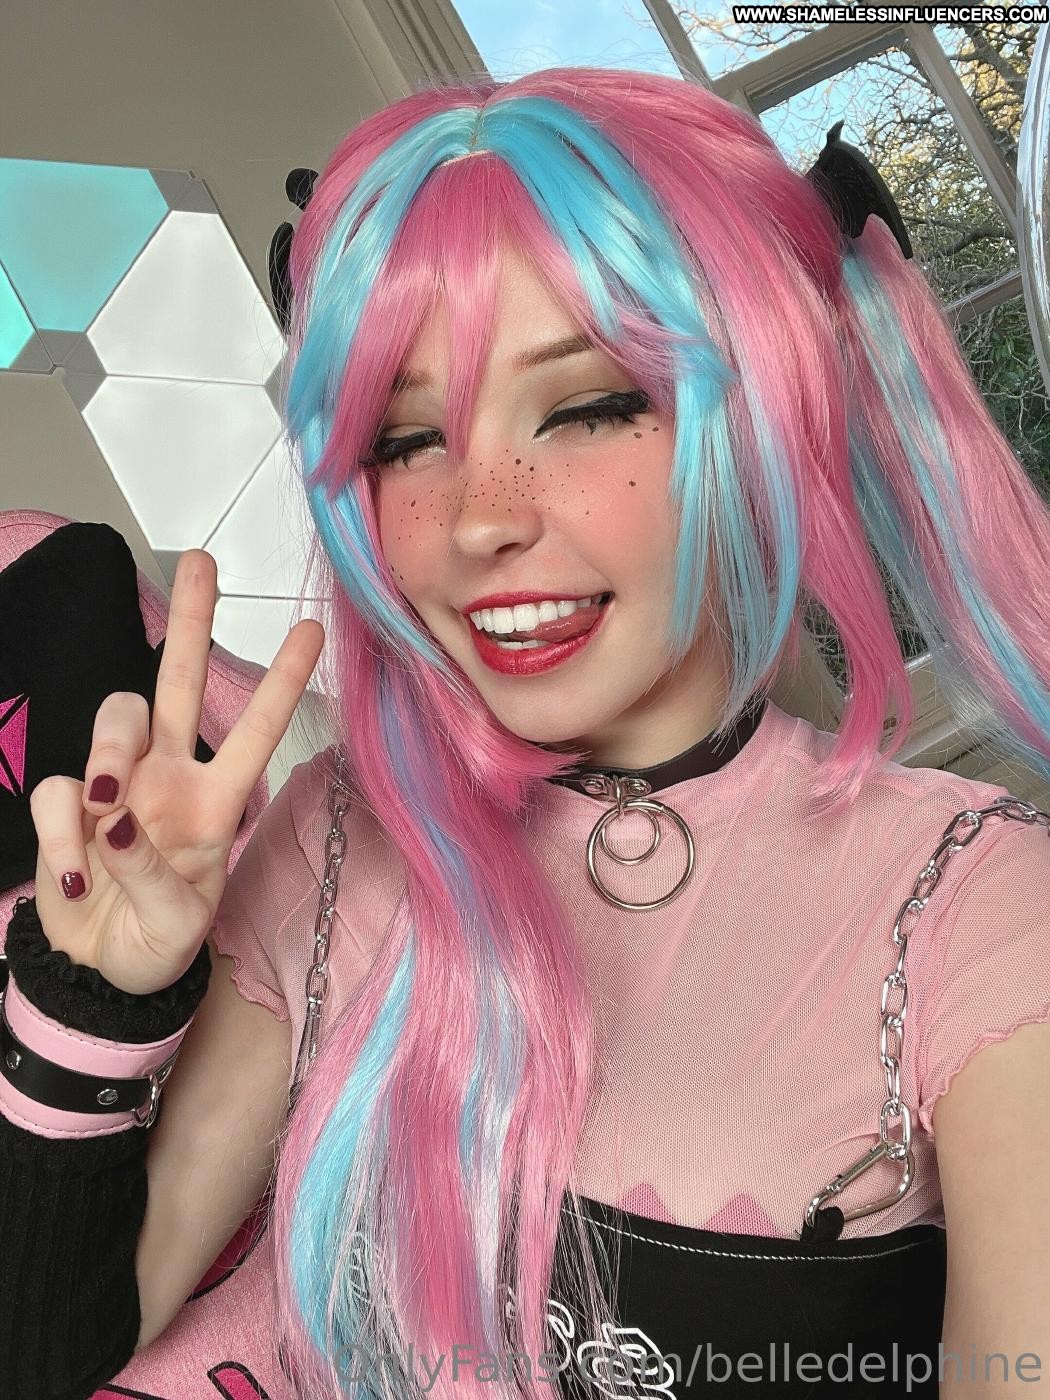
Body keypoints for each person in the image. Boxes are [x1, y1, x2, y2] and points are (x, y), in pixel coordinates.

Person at [2, 64, 1050, 1400]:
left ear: (759, 420)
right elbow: (48, 1348)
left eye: (586, 406)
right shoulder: (338, 834)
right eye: (406, 439)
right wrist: (96, 1000)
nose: (479, 516)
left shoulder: (970, 905)